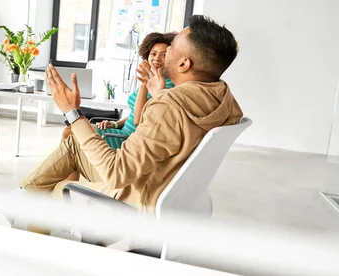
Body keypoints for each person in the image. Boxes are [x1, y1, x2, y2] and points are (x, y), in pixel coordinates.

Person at [20, 15, 243, 211]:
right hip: (163, 192)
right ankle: (20, 201)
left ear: (184, 63)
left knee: (46, 191)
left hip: (133, 203)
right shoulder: (224, 98)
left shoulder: (169, 105)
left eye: (172, 47)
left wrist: (72, 112)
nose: (164, 55)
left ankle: (18, 220)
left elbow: (116, 174)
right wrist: (158, 95)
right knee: (73, 146)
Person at [93, 32, 177, 150]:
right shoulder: (151, 79)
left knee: (72, 132)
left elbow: (138, 120)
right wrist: (115, 124)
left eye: (163, 55)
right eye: (153, 53)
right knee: (73, 134)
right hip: (121, 131)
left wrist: (143, 84)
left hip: (129, 140)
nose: (157, 58)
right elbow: (133, 113)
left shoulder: (166, 86)